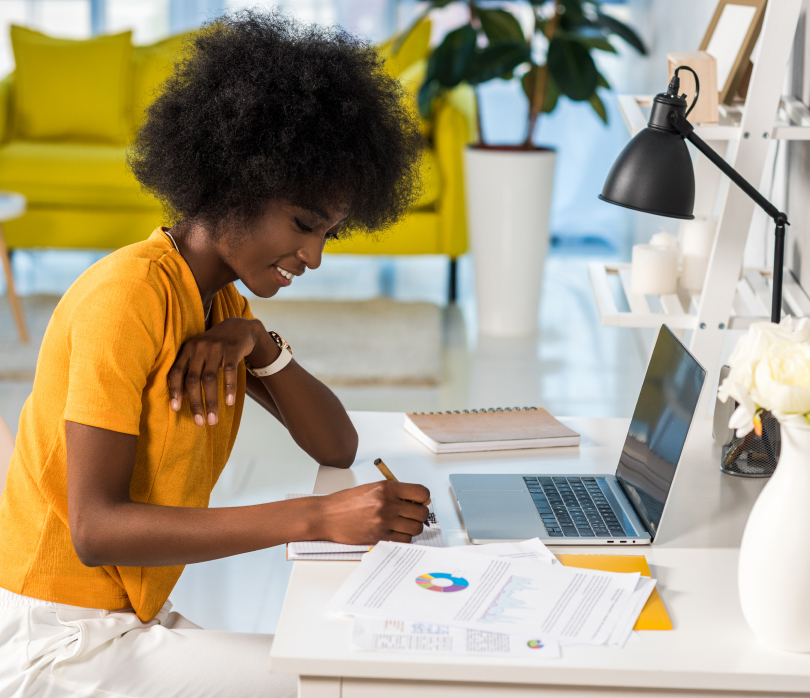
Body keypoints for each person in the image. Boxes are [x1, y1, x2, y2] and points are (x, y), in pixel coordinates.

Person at [0, 10, 428, 697]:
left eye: (330, 235)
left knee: (344, 663)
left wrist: (259, 344)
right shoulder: (129, 296)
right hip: (62, 640)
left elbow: (336, 445)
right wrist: (316, 517)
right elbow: (94, 530)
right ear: (236, 184)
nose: (315, 256)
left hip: (122, 618)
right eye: (303, 225)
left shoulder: (219, 302)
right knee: (344, 681)